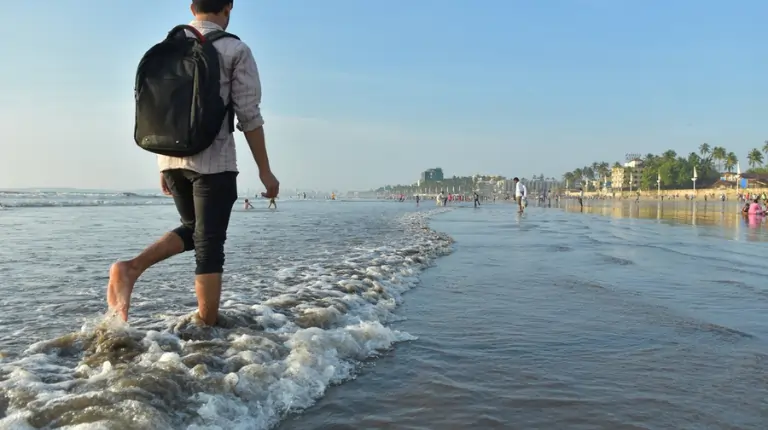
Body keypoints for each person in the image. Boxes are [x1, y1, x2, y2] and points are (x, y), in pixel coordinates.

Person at [106, 0, 279, 326]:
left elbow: (162, 110)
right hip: (214, 162)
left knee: (196, 231)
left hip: (169, 159)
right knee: (209, 245)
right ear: (228, 7)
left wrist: (164, 165)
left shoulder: (169, 47)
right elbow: (249, 116)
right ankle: (207, 328)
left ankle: (132, 269)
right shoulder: (234, 49)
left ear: (191, 6)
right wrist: (265, 170)